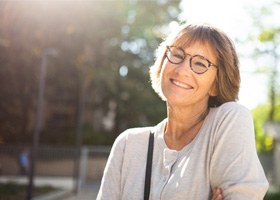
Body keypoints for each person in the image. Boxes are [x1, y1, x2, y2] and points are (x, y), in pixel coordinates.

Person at [97, 23, 269, 200]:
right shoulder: (127, 145)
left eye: (200, 63)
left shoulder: (230, 120)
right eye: (177, 55)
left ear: (216, 85)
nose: (182, 69)